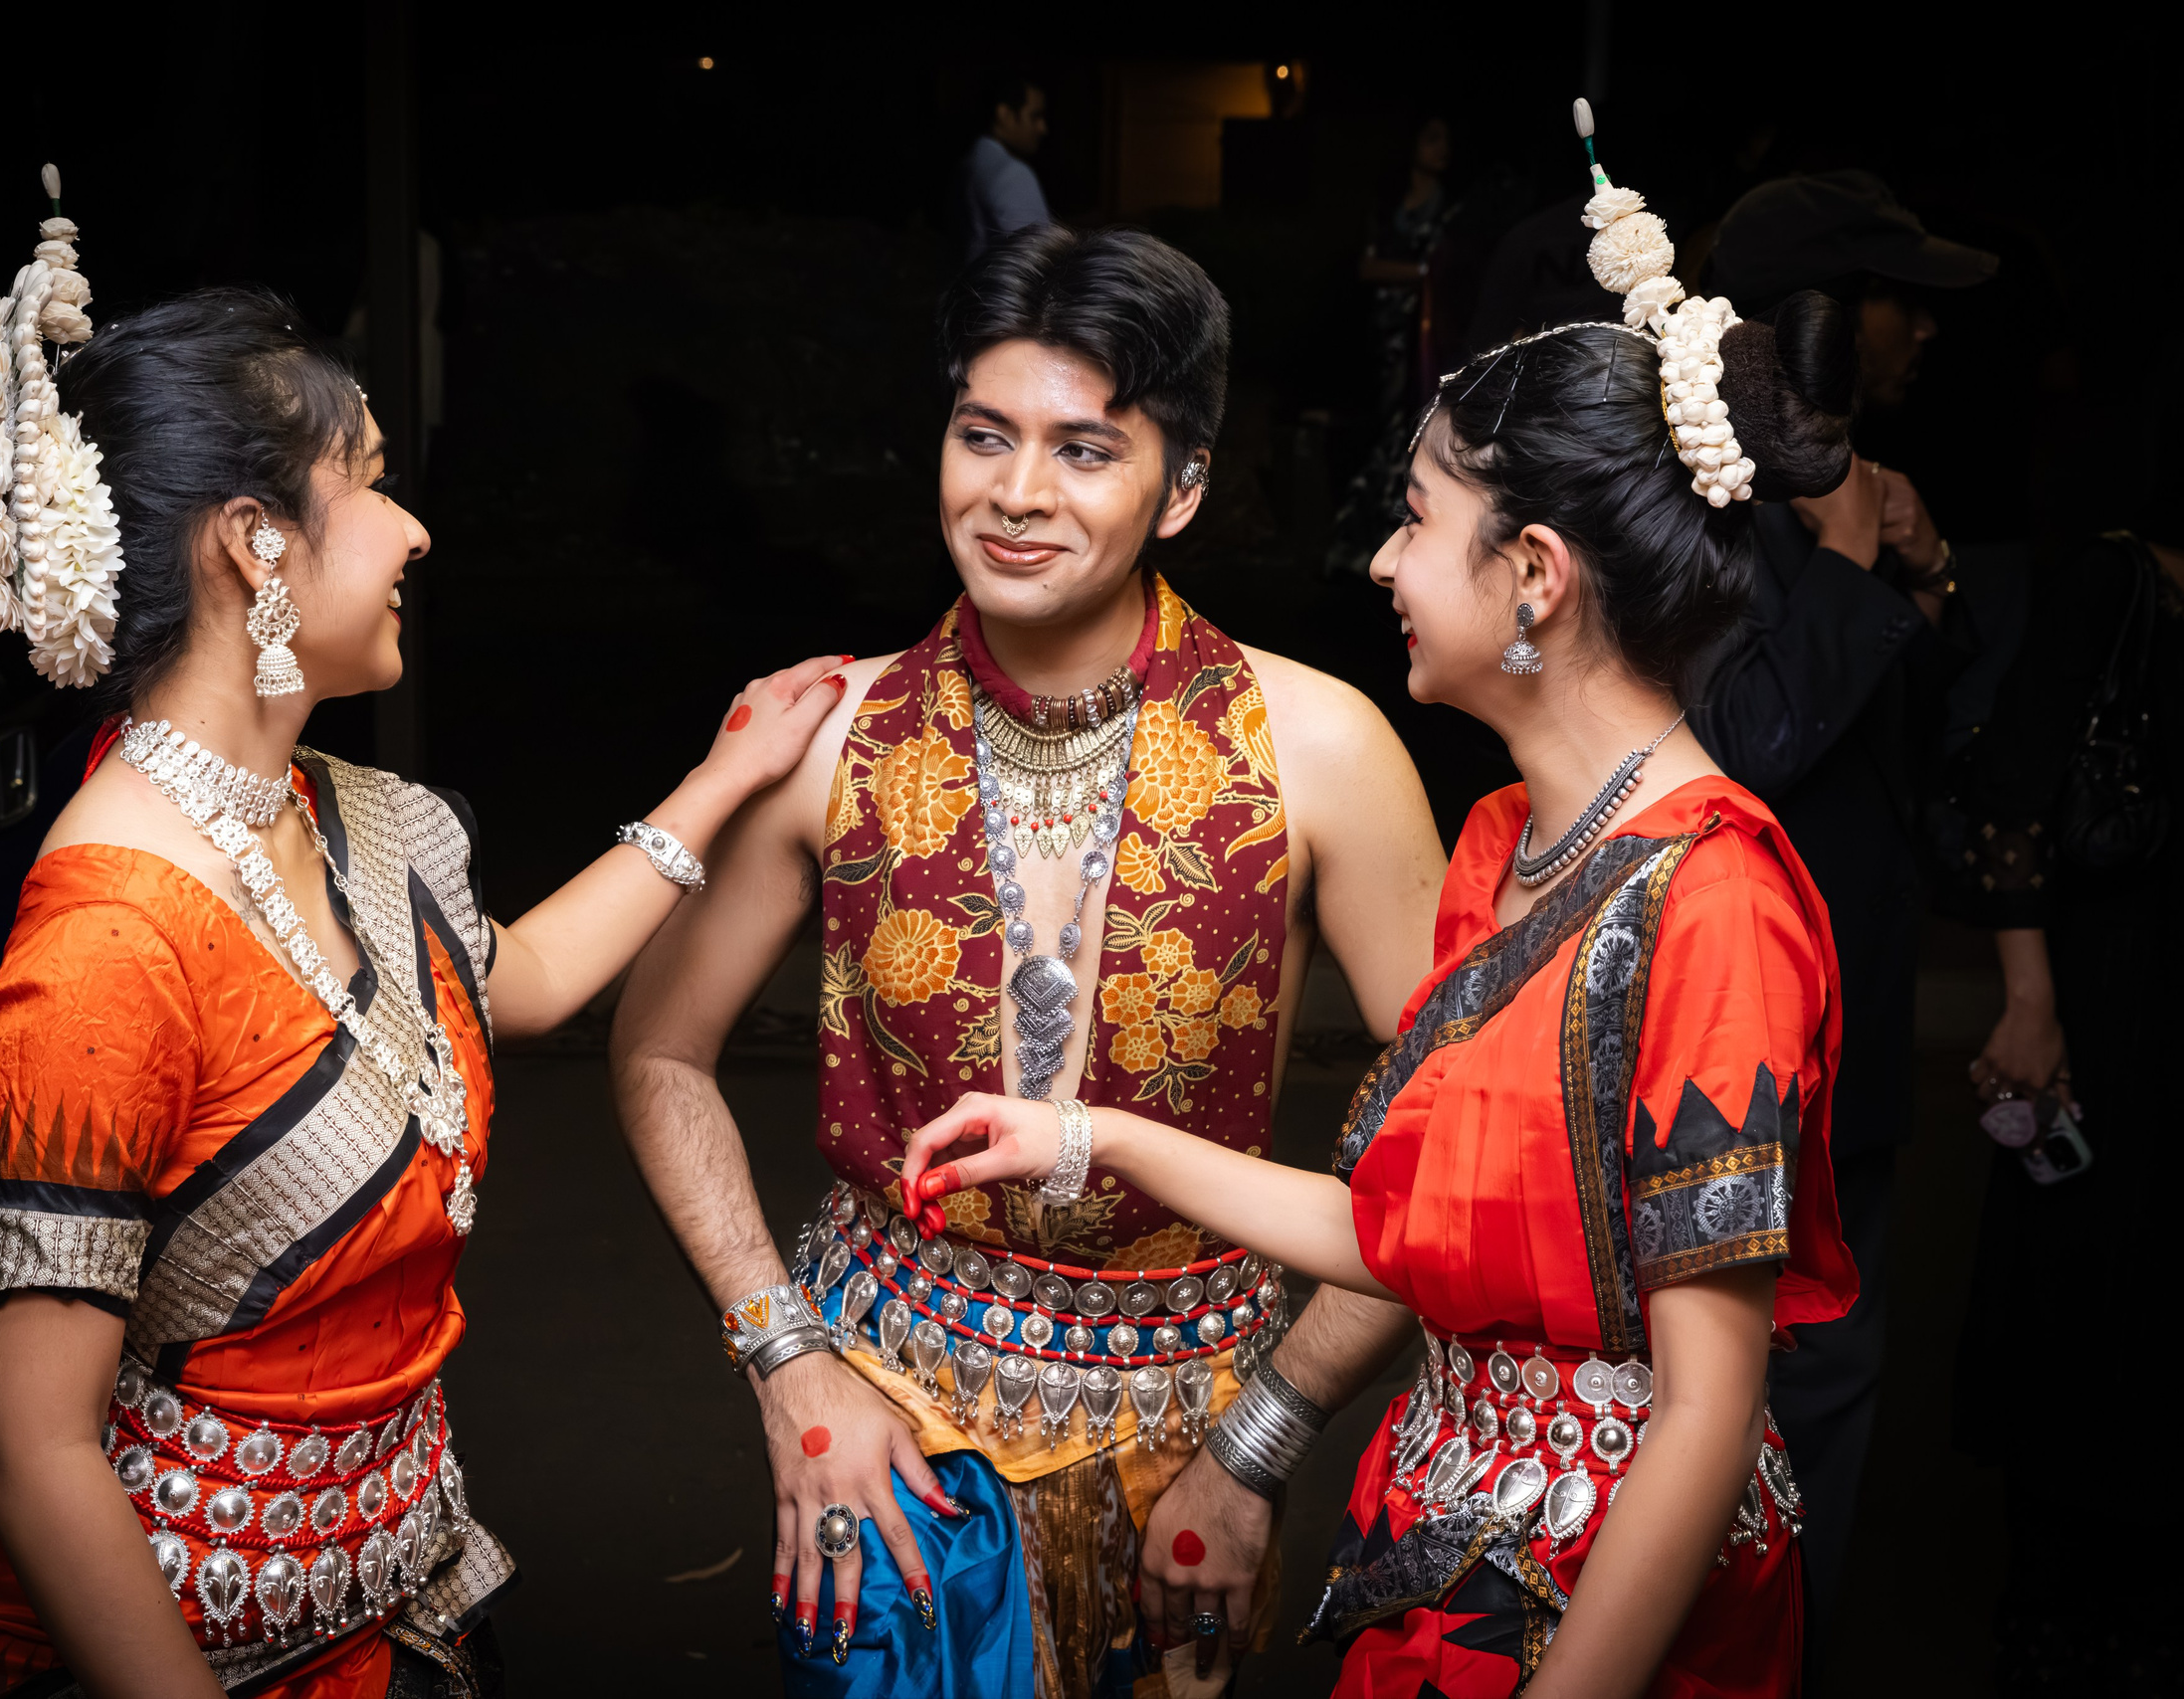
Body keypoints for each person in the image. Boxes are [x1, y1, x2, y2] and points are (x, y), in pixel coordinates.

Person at [898, 135, 1861, 1698]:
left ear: (1536, 574)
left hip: (1595, 1601)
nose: (1383, 560)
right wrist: (1093, 1142)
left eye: (1415, 519)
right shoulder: (1511, 845)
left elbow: (1705, 1398)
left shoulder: (1714, 900)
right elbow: (1405, 1236)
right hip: (1447, 1554)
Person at [0, 204, 845, 1698]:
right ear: (255, 544)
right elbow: (29, 1443)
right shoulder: (107, 943)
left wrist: (726, 775)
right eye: (374, 485)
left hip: (403, 1600)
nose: (416, 530)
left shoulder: (363, 816)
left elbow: (513, 980)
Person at [609, 223, 1447, 1696]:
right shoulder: (836, 736)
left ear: (1182, 488)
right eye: (983, 436)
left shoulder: (1320, 750)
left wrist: (1264, 1442)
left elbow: (1455, 1141)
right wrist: (789, 1368)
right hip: (884, 1437)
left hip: (1192, 1440)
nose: (1016, 496)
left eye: (1083, 451)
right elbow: (657, 1052)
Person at [1685, 168, 1998, 1644]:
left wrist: (1923, 580)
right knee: (1728, 1392)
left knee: (1827, 1387)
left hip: (1850, 1034)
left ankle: (1780, 1652)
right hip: (1730, 1041)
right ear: (1816, 313)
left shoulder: (1866, 494)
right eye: (1897, 300)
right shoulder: (1697, 492)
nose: (1920, 332)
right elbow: (1746, 748)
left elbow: (1922, 751)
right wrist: (1859, 555)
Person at [1935, 523, 2183, 1690]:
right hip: (2109, 999)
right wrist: (2027, 999)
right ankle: (2051, 1622)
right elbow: (2009, 788)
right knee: (2083, 1289)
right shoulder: (2117, 579)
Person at [1329, 115, 1456, 575]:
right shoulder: (1387, 204)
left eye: (1447, 140)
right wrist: (1416, 275)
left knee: (1411, 426)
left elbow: (1448, 273)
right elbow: (1365, 267)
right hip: (1379, 334)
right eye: (1432, 138)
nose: (1443, 149)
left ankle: (1396, 541)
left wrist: (1413, 277)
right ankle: (1357, 543)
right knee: (1377, 428)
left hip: (1424, 334)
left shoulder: (1452, 208)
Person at [959, 71, 1053, 264]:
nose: (1043, 128)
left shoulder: (972, 162)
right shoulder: (1011, 174)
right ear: (1005, 114)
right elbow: (1041, 261)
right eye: (1035, 116)